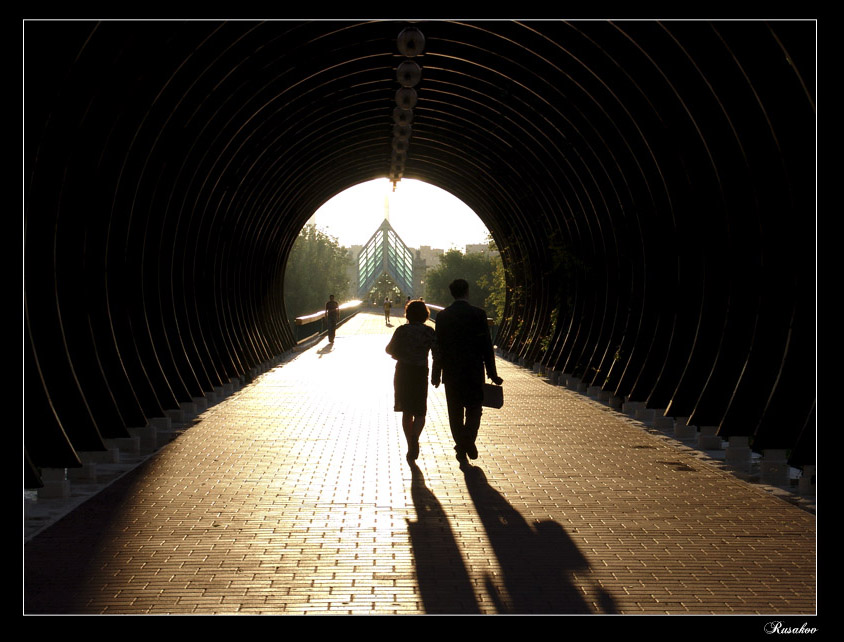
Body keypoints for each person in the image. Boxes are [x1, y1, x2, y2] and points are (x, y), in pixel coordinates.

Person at [431, 278, 503, 465]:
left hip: (451, 371)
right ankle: (467, 442)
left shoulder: (443, 316)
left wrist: (436, 373)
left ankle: (462, 445)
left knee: (454, 412)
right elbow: (487, 346)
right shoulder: (479, 314)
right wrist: (492, 373)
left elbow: (438, 346)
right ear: (467, 292)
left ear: (452, 293)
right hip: (473, 370)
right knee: (474, 409)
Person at [385, 300, 438, 462]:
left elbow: (388, 349)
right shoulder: (429, 332)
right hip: (421, 372)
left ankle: (410, 445)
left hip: (403, 372)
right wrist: (437, 374)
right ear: (425, 315)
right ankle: (415, 437)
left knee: (406, 411)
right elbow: (437, 353)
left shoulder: (402, 330)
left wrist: (400, 355)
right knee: (420, 411)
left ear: (407, 314)